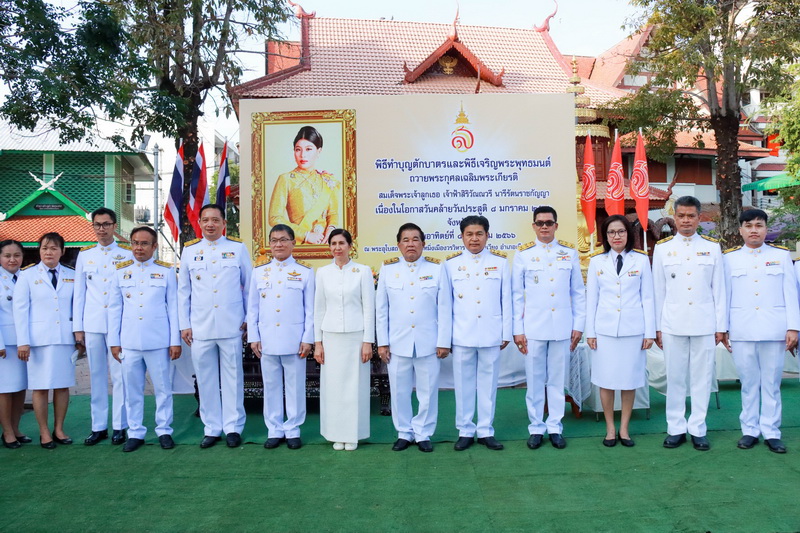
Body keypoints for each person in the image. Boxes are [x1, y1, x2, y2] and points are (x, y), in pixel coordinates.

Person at [653, 195, 726, 451]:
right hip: (673, 323)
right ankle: (675, 427)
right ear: (675, 217)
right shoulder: (662, 249)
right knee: (675, 378)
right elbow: (657, 291)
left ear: (699, 217)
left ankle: (698, 428)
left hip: (704, 323)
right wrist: (657, 327)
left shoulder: (712, 247)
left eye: (691, 216)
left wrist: (721, 326)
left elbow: (719, 290)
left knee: (702, 377)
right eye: (681, 216)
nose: (686, 220)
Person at [722, 209, 799, 454]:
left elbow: (791, 293)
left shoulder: (781, 255)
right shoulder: (729, 258)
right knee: (748, 382)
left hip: (774, 329)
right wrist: (722, 328)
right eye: (749, 225)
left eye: (759, 225)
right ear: (740, 230)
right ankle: (749, 430)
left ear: (766, 229)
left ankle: (772, 431)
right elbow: (724, 296)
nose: (754, 230)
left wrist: (793, 327)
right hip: (742, 328)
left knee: (771, 382)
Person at [178, 203, 252, 449]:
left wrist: (248, 319)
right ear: (199, 223)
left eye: (215, 220)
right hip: (200, 327)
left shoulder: (237, 248)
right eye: (206, 220)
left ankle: (233, 427)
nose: (210, 224)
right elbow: (183, 292)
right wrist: (184, 324)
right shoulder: (189, 251)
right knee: (206, 378)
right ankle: (211, 428)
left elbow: (249, 287)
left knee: (233, 378)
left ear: (223, 223)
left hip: (232, 325)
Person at [512, 206, 585, 450]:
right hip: (533, 328)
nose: (544, 226)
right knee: (534, 380)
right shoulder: (523, 254)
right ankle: (536, 427)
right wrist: (517, 329)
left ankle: (555, 427)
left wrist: (578, 325)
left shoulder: (569, 253)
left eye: (549, 222)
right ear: (533, 226)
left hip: (562, 327)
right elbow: (516, 297)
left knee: (556, 379)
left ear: (556, 225)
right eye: (540, 222)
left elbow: (578, 292)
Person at [376, 223, 450, 453]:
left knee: (428, 391)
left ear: (423, 244)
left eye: (415, 239)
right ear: (399, 244)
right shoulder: (388, 269)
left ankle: (424, 433)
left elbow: (445, 308)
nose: (410, 244)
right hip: (397, 342)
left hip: (428, 342)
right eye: (406, 239)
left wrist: (443, 341)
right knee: (399, 390)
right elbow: (382, 310)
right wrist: (383, 342)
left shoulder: (437, 269)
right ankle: (404, 432)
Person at [441, 215, 511, 451]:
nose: (474, 239)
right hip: (462, 334)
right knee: (462, 384)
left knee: (489, 383)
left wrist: (506, 332)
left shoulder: (500, 263)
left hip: (491, 332)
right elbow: (445, 305)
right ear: (462, 237)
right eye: (469, 234)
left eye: (479, 234)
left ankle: (485, 430)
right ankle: (465, 430)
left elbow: (506, 300)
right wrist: (446, 338)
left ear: (487, 235)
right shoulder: (450, 265)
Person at [108, 227, 181, 452]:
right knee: (132, 390)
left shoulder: (166, 271)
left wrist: (174, 340)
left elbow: (173, 308)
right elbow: (114, 308)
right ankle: (135, 432)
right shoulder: (120, 271)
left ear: (154, 246)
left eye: (144, 243)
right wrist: (114, 340)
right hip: (129, 341)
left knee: (163, 389)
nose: (139, 248)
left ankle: (164, 430)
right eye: (135, 243)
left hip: (158, 341)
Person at [585, 215, 655, 448]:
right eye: (612, 232)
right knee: (606, 381)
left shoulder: (641, 261)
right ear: (606, 237)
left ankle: (624, 429)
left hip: (633, 330)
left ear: (628, 234)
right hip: (604, 331)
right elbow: (591, 299)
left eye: (621, 232)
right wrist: (590, 332)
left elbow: (648, 297)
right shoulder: (597, 262)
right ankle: (610, 429)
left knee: (629, 380)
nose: (617, 236)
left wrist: (649, 332)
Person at [247, 224, 314, 450]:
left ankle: (293, 429)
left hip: (294, 340)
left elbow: (310, 310)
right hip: (266, 340)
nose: (278, 244)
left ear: (293, 243)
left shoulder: (305, 272)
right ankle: (274, 429)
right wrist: (253, 337)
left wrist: (308, 338)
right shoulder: (259, 272)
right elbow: (253, 309)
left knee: (295, 387)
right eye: (274, 240)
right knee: (272, 386)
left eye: (284, 239)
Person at [73, 207, 133, 446]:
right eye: (98, 224)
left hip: (119, 325)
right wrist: (79, 329)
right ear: (93, 227)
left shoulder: (127, 253)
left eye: (106, 224)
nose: (102, 229)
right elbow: (80, 294)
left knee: (120, 376)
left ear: (115, 226)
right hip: (94, 323)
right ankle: (98, 426)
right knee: (96, 376)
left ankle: (120, 425)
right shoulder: (85, 255)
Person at [14, 232, 77, 449]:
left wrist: (78, 335)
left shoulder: (71, 274)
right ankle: (43, 432)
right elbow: (20, 310)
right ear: (39, 251)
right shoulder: (27, 275)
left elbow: (77, 307)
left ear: (62, 251)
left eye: (53, 248)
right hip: (38, 341)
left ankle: (59, 428)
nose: (48, 252)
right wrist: (23, 341)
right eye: (44, 248)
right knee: (40, 387)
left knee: (62, 386)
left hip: (64, 339)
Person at [314, 229, 375, 451]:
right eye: (333, 243)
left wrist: (368, 341)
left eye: (342, 243)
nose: (337, 247)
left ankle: (353, 434)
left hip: (356, 337)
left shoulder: (362, 271)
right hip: (330, 337)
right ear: (329, 247)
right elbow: (319, 308)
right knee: (333, 388)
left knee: (354, 387)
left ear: (351, 245)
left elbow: (369, 308)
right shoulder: (322, 273)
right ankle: (335, 434)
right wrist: (317, 343)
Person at [268, 125, 340, 245]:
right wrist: (306, 235)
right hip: (300, 244)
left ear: (319, 151)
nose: (302, 155)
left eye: (308, 149)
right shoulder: (286, 179)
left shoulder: (327, 180)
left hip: (326, 244)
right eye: (298, 149)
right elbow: (274, 218)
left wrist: (330, 230)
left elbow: (333, 213)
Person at [0, 240, 29, 448]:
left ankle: (17, 428)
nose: (12, 259)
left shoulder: (25, 277)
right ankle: (7, 432)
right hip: (5, 345)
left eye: (17, 255)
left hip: (23, 342)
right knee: (5, 389)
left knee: (20, 388)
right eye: (7, 255)